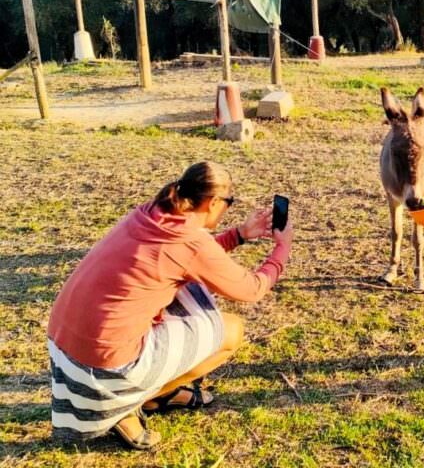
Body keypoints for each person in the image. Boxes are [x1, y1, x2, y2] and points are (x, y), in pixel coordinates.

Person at [47, 161, 293, 449]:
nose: (228, 207)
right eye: (229, 202)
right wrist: (282, 249)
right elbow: (252, 289)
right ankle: (133, 404)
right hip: (105, 364)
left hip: (64, 344)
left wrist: (239, 234)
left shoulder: (151, 213)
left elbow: (186, 258)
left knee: (192, 289)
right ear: (214, 203)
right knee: (231, 332)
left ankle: (154, 393)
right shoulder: (190, 244)